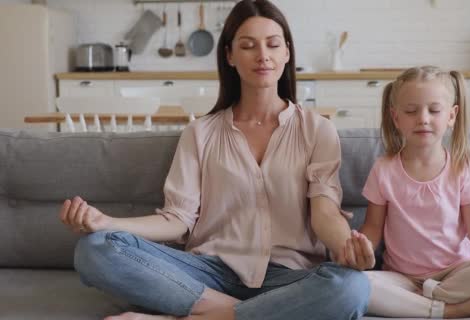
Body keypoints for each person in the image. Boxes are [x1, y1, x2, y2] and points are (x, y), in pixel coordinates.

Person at [58, 1, 369, 320]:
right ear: (230, 56)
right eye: (248, 46)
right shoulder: (200, 133)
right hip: (207, 273)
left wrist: (348, 246)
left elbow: (325, 214)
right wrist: (105, 222)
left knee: (352, 287)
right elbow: (177, 219)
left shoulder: (318, 130)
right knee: (95, 248)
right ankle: (241, 314)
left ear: (286, 52)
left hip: (288, 278)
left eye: (273, 44)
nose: (263, 55)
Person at [341, 66, 470, 318]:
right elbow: (373, 228)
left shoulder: (461, 168)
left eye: (434, 110)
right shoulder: (384, 169)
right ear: (396, 118)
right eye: (411, 111)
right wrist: (358, 250)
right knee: (358, 285)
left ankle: (420, 302)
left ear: (451, 116)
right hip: (402, 277)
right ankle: (448, 309)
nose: (423, 118)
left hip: (458, 273)